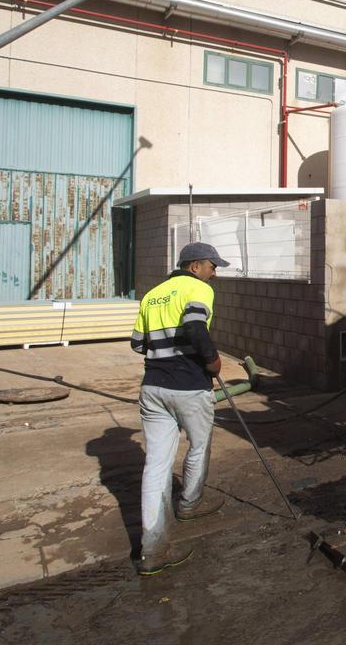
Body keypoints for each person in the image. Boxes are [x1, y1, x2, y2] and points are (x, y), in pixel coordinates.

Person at [130, 241, 229, 576]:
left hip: (153, 388)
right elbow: (194, 327)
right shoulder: (197, 289)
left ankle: (153, 550)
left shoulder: (152, 295)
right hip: (189, 387)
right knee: (199, 446)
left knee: (155, 466)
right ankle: (188, 504)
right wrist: (213, 361)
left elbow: (137, 344)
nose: (214, 273)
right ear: (194, 266)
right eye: (212, 266)